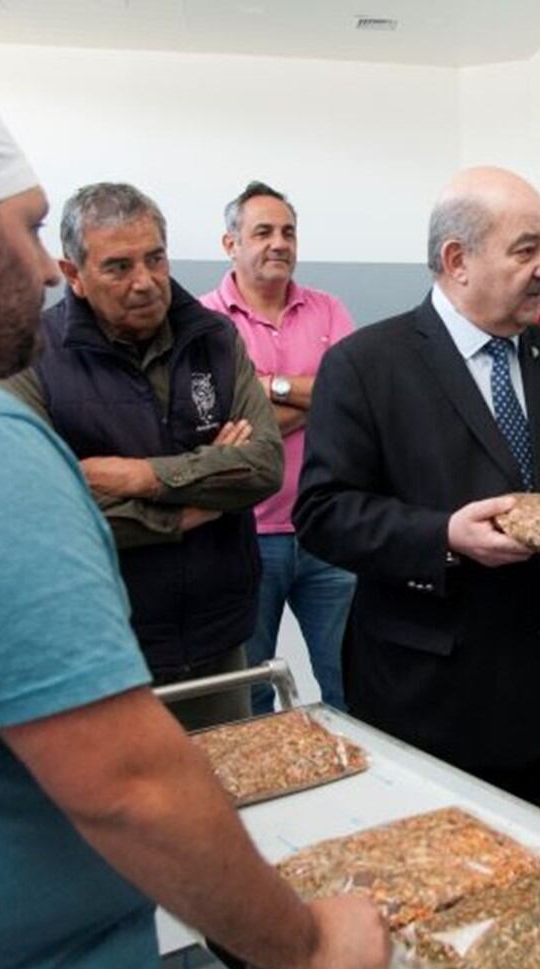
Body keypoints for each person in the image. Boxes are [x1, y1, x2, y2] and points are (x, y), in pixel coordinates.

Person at [0, 60, 388, 969]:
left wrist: (140, 486)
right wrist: (308, 940)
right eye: (26, 227)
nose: (41, 265)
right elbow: (130, 787)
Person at [293, 166, 540, 818]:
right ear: (457, 260)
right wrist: (444, 537)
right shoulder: (367, 366)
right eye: (526, 249)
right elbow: (324, 512)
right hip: (428, 702)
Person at [1, 182, 283, 729]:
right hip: (103, 649)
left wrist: (141, 478)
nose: (146, 282)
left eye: (155, 258)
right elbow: (46, 514)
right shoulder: (30, 358)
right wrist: (195, 505)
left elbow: (265, 463)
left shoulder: (213, 338)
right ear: (74, 274)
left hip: (217, 635)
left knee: (234, 794)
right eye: (118, 267)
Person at [200, 181, 357, 713]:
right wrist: (316, 394)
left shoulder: (328, 308)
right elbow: (217, 423)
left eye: (288, 231)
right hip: (244, 534)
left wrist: (265, 386)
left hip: (329, 530)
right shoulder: (203, 322)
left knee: (353, 682)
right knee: (250, 693)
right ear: (230, 244)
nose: (279, 243)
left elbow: (351, 397)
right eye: (263, 231)